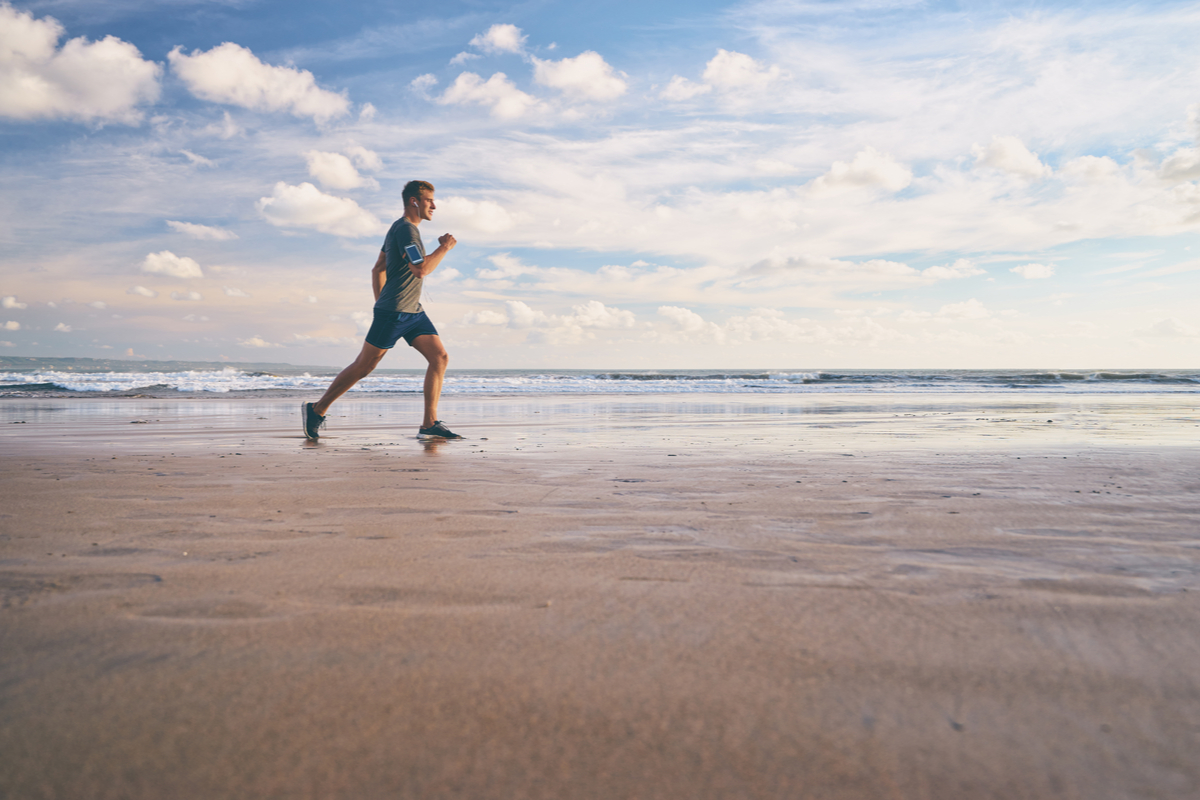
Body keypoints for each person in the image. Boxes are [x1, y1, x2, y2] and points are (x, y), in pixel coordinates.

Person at [302, 180, 462, 440]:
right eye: (429, 200)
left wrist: (379, 300)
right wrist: (444, 247)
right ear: (414, 201)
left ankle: (429, 423)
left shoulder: (399, 229)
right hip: (395, 311)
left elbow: (379, 267)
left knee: (440, 357)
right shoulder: (406, 231)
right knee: (365, 365)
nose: (434, 205)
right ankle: (317, 410)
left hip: (413, 312)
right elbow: (420, 269)